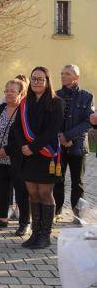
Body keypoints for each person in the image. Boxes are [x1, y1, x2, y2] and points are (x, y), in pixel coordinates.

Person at [14, 66, 64, 249]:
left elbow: (52, 131)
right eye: (34, 78)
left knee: (45, 193)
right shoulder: (25, 102)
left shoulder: (56, 102)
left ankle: (45, 235)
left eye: (40, 79)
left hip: (46, 154)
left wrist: (32, 147)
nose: (36, 82)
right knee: (33, 193)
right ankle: (35, 233)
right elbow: (17, 127)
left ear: (47, 81)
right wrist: (23, 146)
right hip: (28, 155)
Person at [0, 79, 30, 236]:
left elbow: (24, 137)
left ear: (22, 93)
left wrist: (6, 150)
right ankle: (2, 218)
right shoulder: (0, 108)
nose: (9, 93)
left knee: (21, 190)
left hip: (17, 158)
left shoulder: (24, 111)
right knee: (2, 189)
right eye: (6, 90)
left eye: (13, 91)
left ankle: (24, 222)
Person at [53, 65, 93, 223]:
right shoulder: (55, 95)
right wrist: (60, 137)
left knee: (78, 183)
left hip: (78, 147)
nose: (63, 76)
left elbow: (88, 122)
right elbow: (52, 121)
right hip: (58, 146)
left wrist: (69, 136)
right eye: (62, 73)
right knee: (57, 179)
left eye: (67, 74)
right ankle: (56, 212)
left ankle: (78, 215)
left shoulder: (87, 96)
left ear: (76, 78)